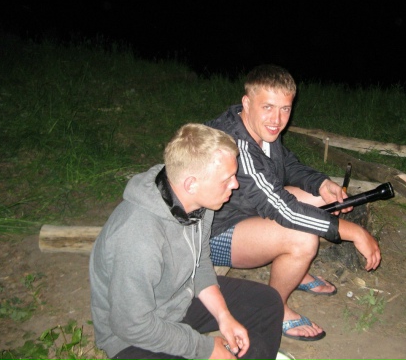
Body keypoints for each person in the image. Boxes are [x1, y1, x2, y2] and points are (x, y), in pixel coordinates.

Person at [206, 65, 381, 342]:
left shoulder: (259, 127)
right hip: (212, 235)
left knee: (321, 199)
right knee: (303, 238)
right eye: (268, 107)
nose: (277, 119)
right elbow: (283, 209)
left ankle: (295, 272)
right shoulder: (235, 145)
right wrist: (355, 232)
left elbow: (286, 164)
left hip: (246, 208)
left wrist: (321, 184)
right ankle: (274, 309)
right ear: (247, 103)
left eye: (285, 109)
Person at [89, 123, 284, 360]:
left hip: (179, 299)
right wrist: (204, 348)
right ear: (191, 184)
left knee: (267, 302)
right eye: (227, 179)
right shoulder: (137, 236)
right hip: (133, 337)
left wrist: (224, 316)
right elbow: (130, 325)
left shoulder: (200, 203)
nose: (235, 184)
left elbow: (199, 263)